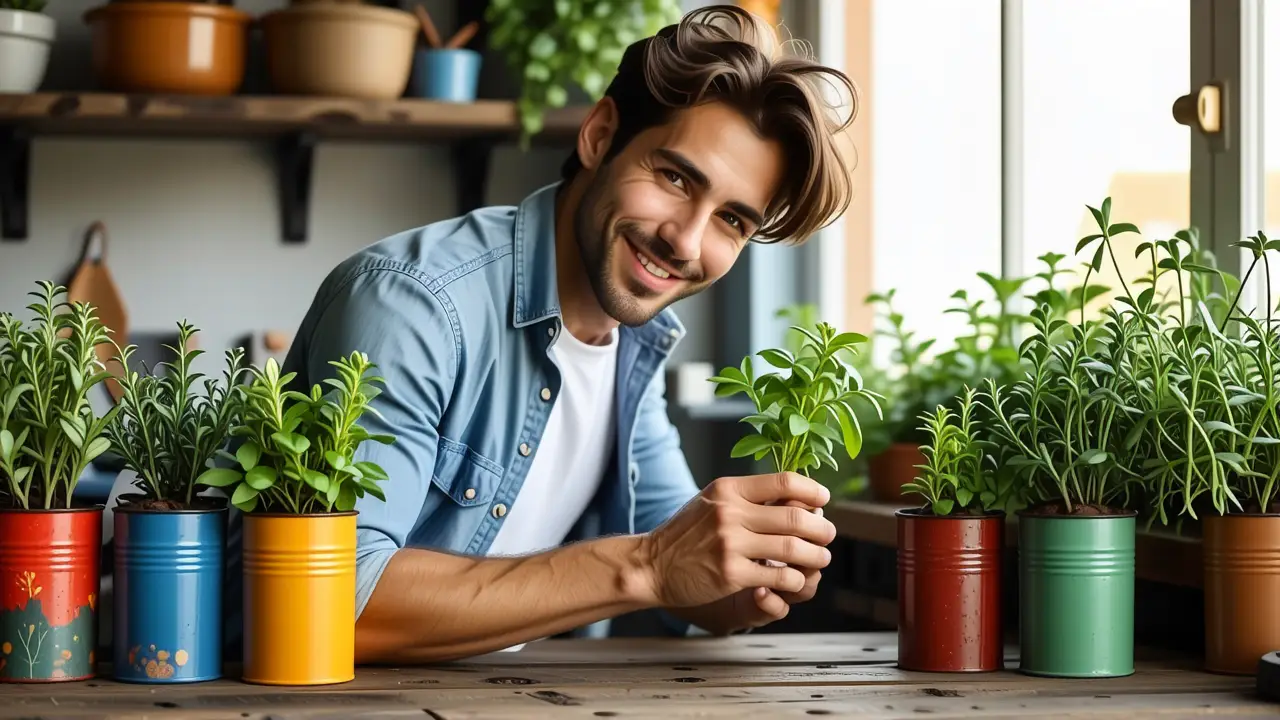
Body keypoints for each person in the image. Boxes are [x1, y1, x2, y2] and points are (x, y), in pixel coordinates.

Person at [228, 4, 857, 664]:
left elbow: (682, 572)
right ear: (600, 135)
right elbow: (327, 604)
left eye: (731, 220)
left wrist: (746, 579)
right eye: (674, 178)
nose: (686, 240)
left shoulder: (632, 347)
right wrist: (644, 565)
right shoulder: (414, 304)